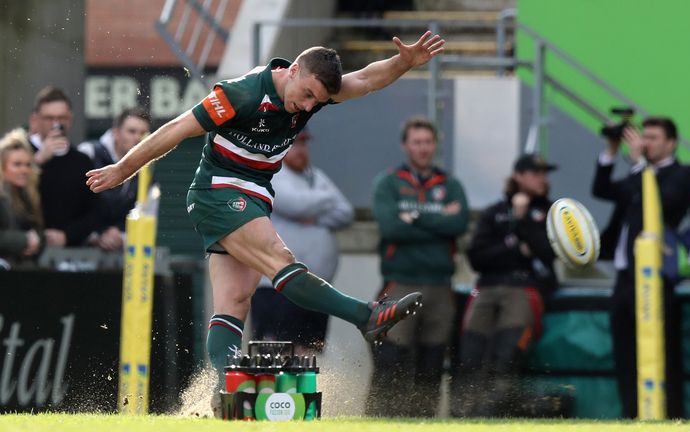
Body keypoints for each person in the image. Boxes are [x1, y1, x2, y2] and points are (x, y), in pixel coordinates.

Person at [86, 31, 444, 395]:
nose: (308, 107)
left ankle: (225, 391)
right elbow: (178, 129)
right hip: (218, 191)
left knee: (235, 300)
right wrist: (123, 168)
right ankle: (366, 316)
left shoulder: (313, 93)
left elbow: (366, 79)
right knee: (281, 259)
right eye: (307, 95)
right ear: (292, 71)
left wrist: (403, 62)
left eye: (317, 101)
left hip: (254, 195)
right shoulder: (241, 93)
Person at [592, 117, 690, 418]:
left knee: (661, 354)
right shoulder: (639, 174)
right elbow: (601, 189)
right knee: (625, 353)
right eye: (644, 136)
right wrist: (611, 151)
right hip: (625, 277)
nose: (645, 142)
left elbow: (665, 202)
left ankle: (669, 417)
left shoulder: (682, 173)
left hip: (656, 277)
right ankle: (630, 415)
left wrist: (639, 163)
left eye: (653, 138)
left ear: (671, 143)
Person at [366, 117, 469, 417]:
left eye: (428, 142)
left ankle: (423, 422)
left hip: (440, 288)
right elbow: (392, 228)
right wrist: (439, 221)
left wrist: (414, 217)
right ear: (405, 145)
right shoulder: (388, 182)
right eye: (417, 142)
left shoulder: (450, 185)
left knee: (432, 366)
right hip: (400, 283)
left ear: (435, 145)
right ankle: (379, 421)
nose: (423, 148)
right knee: (390, 363)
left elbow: (459, 224)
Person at [452, 153, 557, 417]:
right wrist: (515, 245)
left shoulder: (551, 212)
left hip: (524, 289)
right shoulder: (494, 212)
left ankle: (495, 415)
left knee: (506, 357)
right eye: (535, 172)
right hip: (487, 288)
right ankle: (464, 416)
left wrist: (521, 221)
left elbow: (548, 251)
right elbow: (477, 257)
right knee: (470, 356)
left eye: (544, 173)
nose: (542, 178)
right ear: (519, 176)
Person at [250, 129, 354, 353]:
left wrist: (314, 212)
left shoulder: (315, 176)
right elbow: (295, 204)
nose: (300, 150)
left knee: (308, 357)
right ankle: (274, 391)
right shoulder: (269, 174)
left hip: (315, 290)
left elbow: (346, 212)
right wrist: (327, 200)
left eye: (303, 144)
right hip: (277, 287)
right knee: (276, 354)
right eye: (295, 144)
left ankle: (299, 391)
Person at [29, 86, 101, 247]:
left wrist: (67, 235)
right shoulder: (20, 153)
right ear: (35, 120)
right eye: (49, 118)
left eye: (61, 118)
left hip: (69, 250)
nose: (56, 125)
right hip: (25, 248)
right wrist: (38, 160)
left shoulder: (81, 161)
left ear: (70, 120)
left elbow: (95, 211)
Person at [79, 107, 151, 251]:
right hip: (77, 247)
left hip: (121, 253)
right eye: (131, 131)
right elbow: (72, 203)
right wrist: (95, 234)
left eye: (143, 133)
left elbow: (147, 218)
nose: (137, 138)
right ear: (116, 133)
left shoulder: (147, 172)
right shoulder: (88, 153)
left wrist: (122, 237)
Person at [0, 129, 45, 269]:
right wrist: (24, 240)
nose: (24, 170)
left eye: (27, 165)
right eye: (17, 164)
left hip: (23, 273)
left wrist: (37, 240)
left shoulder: (29, 194)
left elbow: (39, 231)